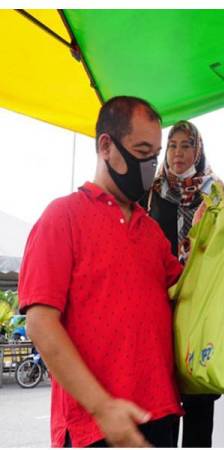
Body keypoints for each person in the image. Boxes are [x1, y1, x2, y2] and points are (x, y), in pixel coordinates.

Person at [18, 96, 183, 448]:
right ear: (106, 146)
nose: (150, 165)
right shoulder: (62, 218)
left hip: (160, 415)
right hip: (93, 427)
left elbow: (186, 291)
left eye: (155, 155)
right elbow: (40, 322)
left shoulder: (151, 231)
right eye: (141, 151)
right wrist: (103, 407)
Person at [143, 120, 224, 447]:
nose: (178, 153)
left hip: (199, 306)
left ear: (199, 150)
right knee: (161, 400)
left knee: (198, 401)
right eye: (173, 145)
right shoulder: (151, 191)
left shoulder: (215, 191)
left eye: (186, 145)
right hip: (159, 306)